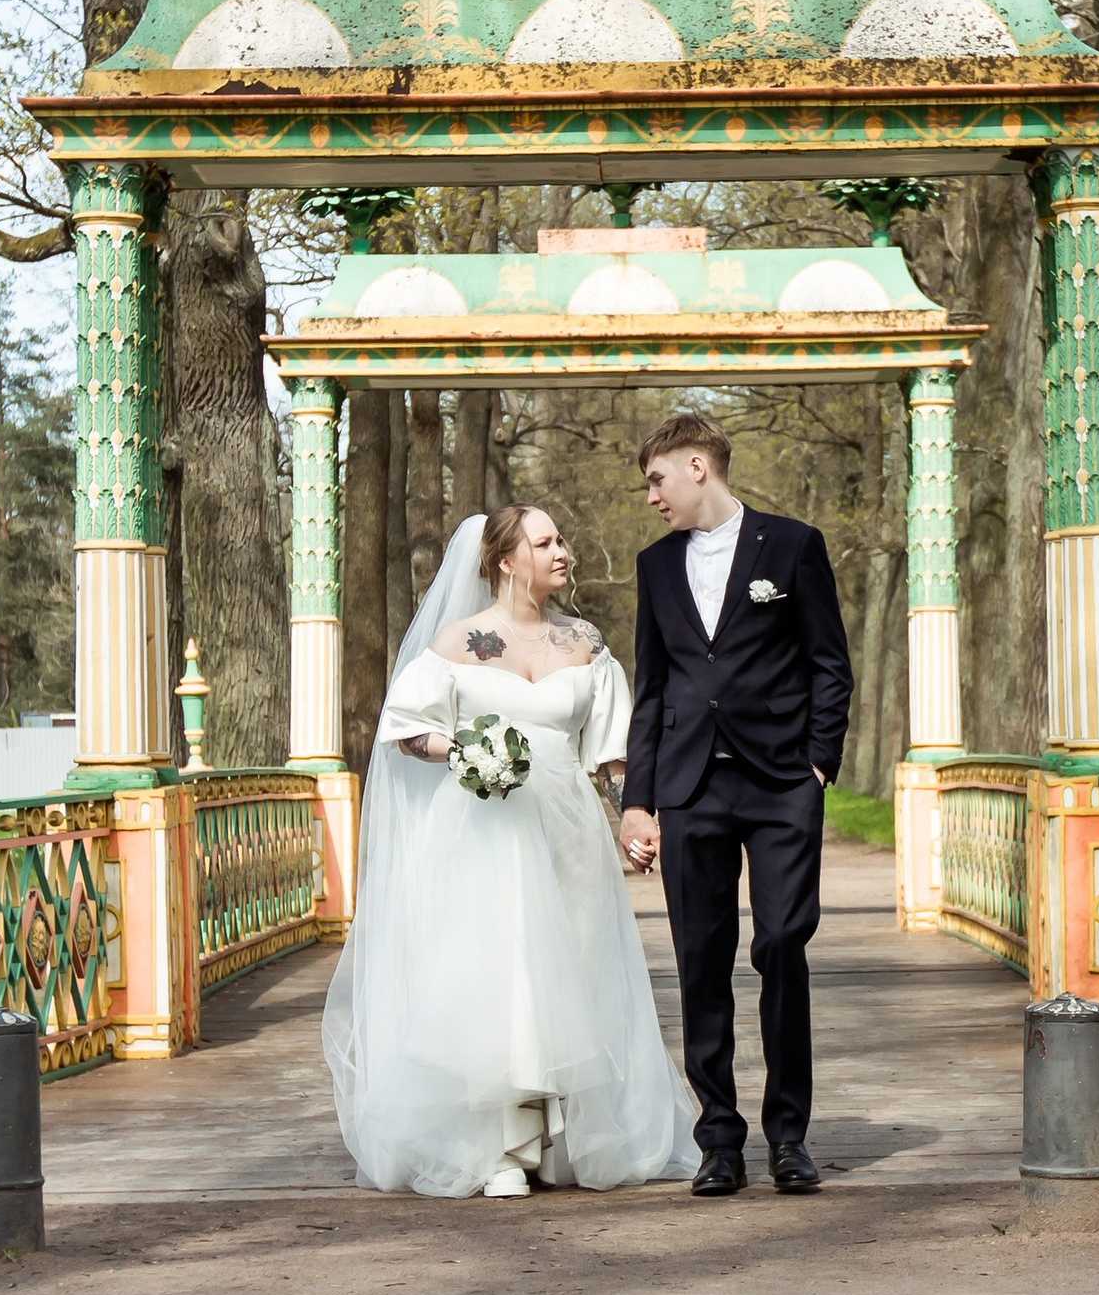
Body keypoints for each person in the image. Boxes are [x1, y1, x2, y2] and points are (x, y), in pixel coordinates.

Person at [322, 504, 687, 1198]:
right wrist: (464, 750)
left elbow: (611, 754)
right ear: (505, 561)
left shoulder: (583, 642)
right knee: (498, 979)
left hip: (566, 829)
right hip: (484, 829)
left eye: (562, 539)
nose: (563, 552)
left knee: (571, 974)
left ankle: (554, 1142)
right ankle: (496, 1149)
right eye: (545, 542)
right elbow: (407, 730)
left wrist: (634, 819)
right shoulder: (458, 642)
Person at [618, 408, 855, 1196]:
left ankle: (790, 1136)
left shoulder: (792, 546)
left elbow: (830, 664)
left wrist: (820, 763)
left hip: (783, 780)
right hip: (690, 788)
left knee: (783, 943)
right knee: (700, 964)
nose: (651, 495)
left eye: (656, 478)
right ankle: (720, 1136)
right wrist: (638, 801)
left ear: (696, 466)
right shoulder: (656, 567)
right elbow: (651, 691)